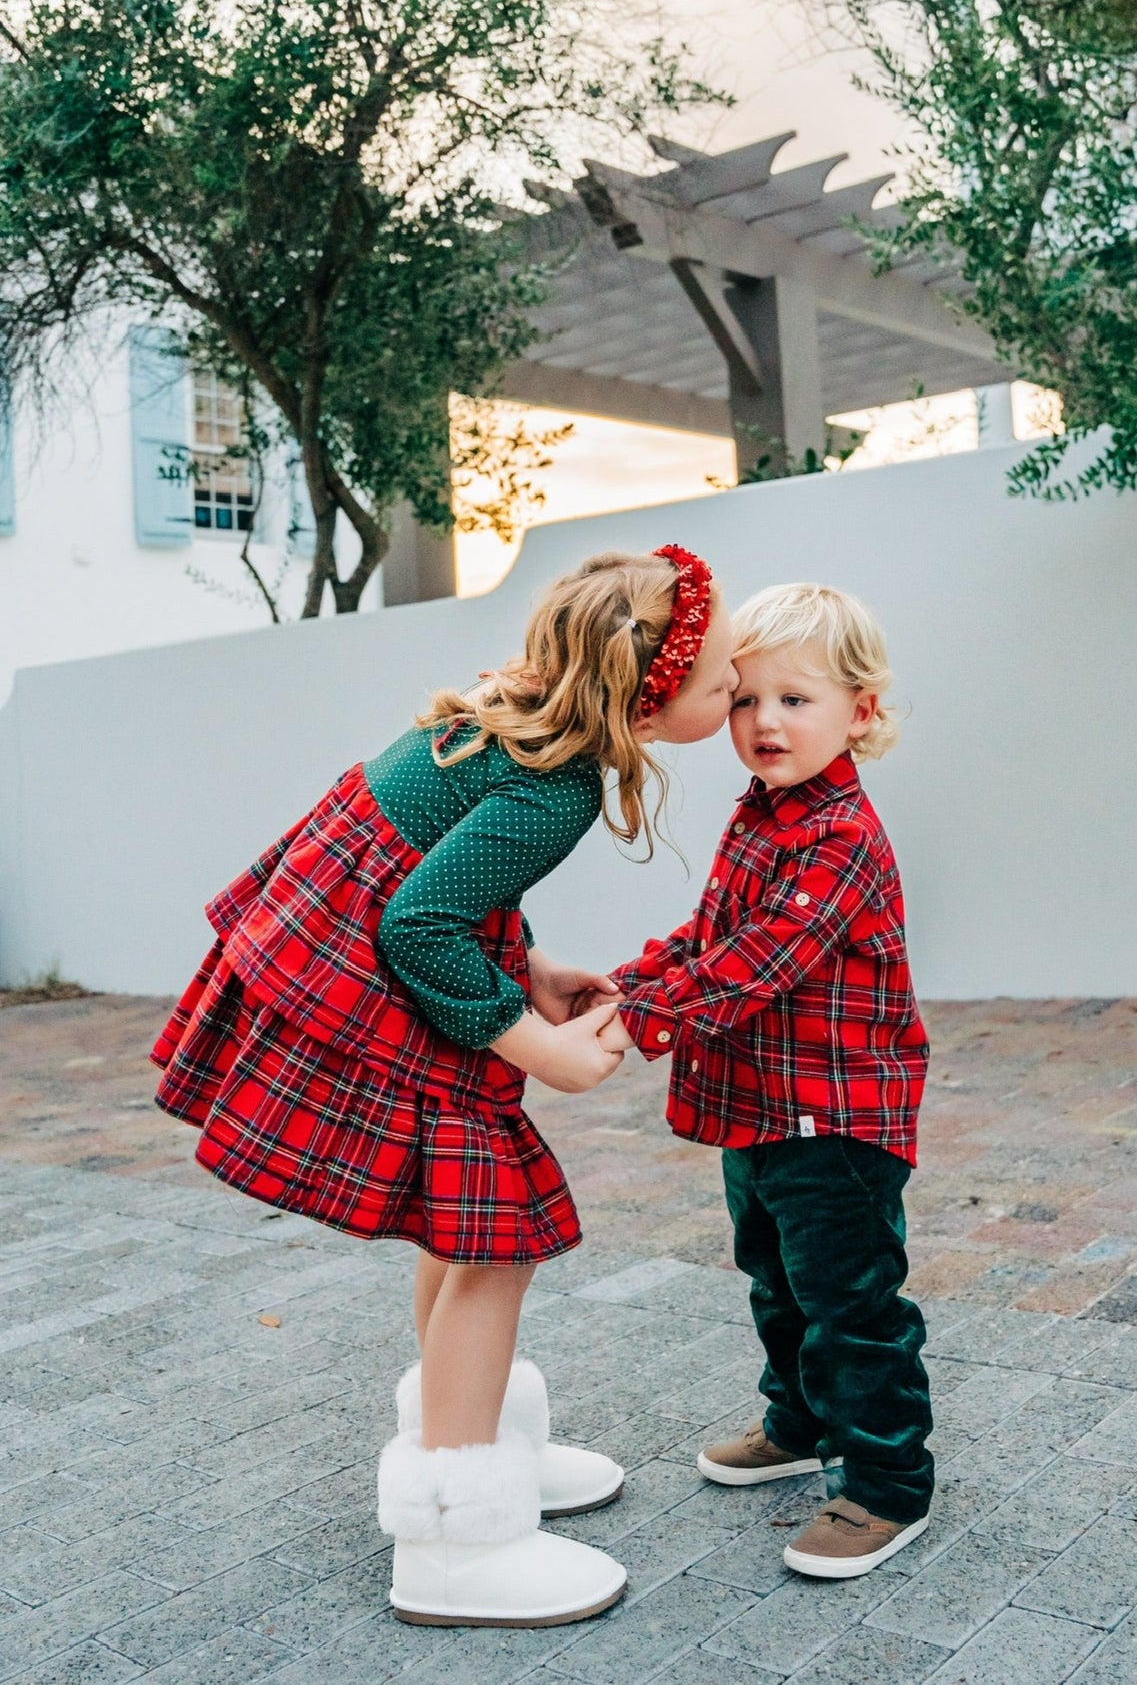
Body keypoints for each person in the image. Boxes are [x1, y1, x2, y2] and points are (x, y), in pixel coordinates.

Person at [151, 545, 737, 1627]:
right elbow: (418, 920)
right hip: (369, 974)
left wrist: (534, 969)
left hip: (350, 952)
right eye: (723, 682)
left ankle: (464, 1434)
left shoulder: (511, 721)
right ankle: (456, 1546)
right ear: (644, 697)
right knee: (494, 1234)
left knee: (455, 1219)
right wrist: (536, 1042)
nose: (738, 691)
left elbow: (452, 869)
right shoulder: (557, 790)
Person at [595, 582, 933, 1579]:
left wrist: (637, 1023)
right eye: (745, 700)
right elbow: (711, 938)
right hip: (760, 1111)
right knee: (777, 1281)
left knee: (851, 1301)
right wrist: (631, 982)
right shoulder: (759, 816)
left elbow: (764, 960)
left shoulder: (839, 840)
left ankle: (885, 1487)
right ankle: (797, 1424)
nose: (764, 721)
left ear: (860, 713)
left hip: (836, 1120)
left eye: (796, 699)